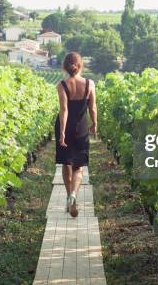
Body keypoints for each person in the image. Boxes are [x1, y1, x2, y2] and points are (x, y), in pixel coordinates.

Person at [55, 52, 97, 217]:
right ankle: (74, 194)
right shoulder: (89, 84)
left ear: (65, 66)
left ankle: (68, 196)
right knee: (78, 166)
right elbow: (92, 108)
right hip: (81, 128)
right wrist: (95, 123)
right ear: (80, 66)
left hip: (65, 127)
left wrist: (62, 132)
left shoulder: (62, 85)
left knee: (66, 164)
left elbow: (64, 110)